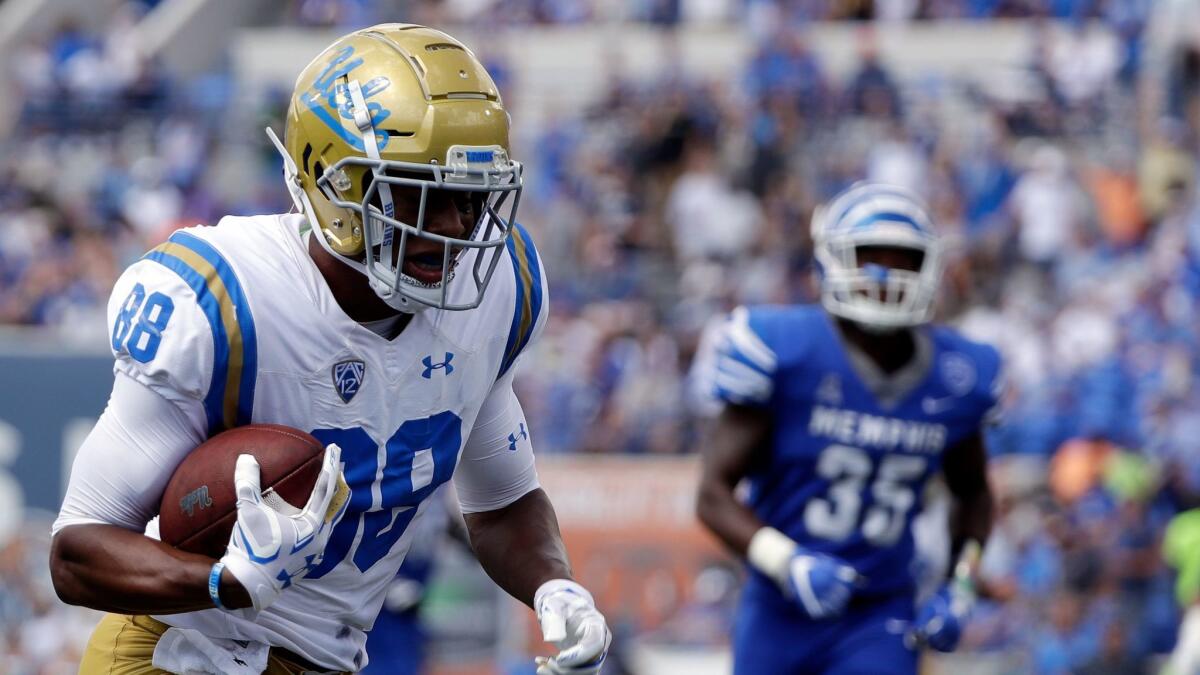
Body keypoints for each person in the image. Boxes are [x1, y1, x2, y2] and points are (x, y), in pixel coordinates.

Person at [48, 24, 609, 675]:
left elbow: (504, 503)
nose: (454, 228)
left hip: (332, 660)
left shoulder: (498, 290)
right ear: (335, 182)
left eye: (469, 198)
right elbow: (76, 551)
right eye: (419, 193)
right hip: (181, 653)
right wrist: (224, 582)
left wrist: (555, 589)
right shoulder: (228, 300)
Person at [694, 182, 1000, 674]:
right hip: (779, 607)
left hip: (878, 611)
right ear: (830, 262)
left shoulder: (959, 376)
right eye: (868, 256)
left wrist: (959, 586)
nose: (885, 274)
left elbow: (975, 494)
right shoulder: (784, 349)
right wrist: (786, 562)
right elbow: (712, 493)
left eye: (903, 259)